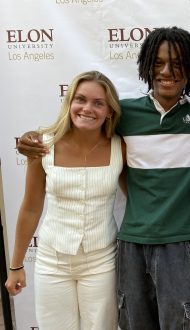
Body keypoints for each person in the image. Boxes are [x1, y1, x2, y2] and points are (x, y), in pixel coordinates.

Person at [17, 27, 190, 330]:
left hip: (180, 243)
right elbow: (78, 125)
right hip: (130, 244)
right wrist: (31, 138)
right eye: (159, 62)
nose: (167, 71)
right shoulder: (123, 113)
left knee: (185, 324)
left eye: (178, 64)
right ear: (146, 66)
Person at [5, 70, 124, 329]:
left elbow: (138, 198)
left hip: (101, 261)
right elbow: (31, 208)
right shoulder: (42, 146)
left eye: (98, 103)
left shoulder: (120, 147)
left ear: (110, 111)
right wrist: (15, 265)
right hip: (52, 261)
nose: (87, 108)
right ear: (69, 102)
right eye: (80, 99)